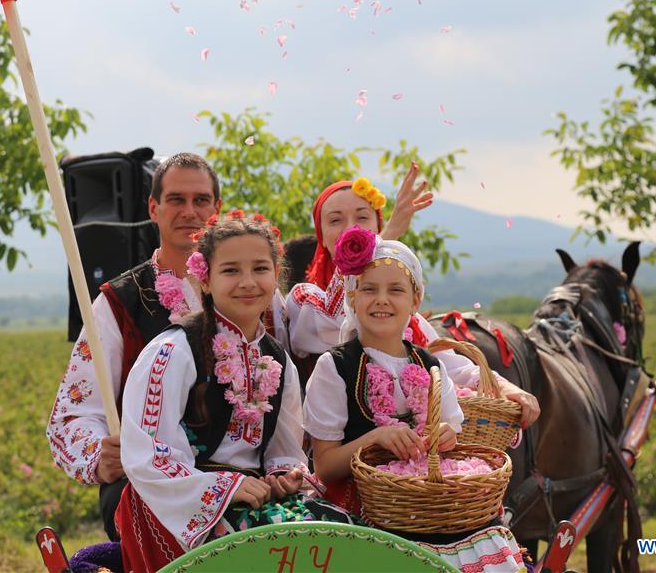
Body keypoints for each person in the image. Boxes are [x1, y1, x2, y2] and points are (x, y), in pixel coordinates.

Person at [115, 212, 358, 572]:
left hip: (253, 497)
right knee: (275, 552)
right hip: (179, 506)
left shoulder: (277, 358)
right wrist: (224, 488)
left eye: (260, 269)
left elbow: (284, 450)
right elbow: (149, 456)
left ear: (276, 276)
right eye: (230, 270)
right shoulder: (172, 352)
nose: (247, 282)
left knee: (341, 534)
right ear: (206, 279)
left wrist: (283, 475)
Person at [303, 229, 530, 572]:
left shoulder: (431, 365)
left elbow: (451, 436)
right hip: (362, 507)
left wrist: (445, 435)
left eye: (396, 290)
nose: (382, 300)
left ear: (415, 301)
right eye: (369, 289)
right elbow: (325, 466)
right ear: (352, 299)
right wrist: (375, 438)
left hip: (426, 505)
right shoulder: (334, 367)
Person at [46, 152, 221, 541]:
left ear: (217, 208)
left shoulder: (250, 292)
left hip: (237, 475)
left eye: (200, 200)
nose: (189, 211)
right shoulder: (118, 302)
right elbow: (72, 415)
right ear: (153, 208)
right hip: (147, 482)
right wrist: (98, 454)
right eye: (176, 199)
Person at [287, 171, 539, 427]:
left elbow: (450, 365)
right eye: (335, 220)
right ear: (321, 235)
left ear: (377, 226)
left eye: (362, 217)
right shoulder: (304, 298)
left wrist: (505, 387)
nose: (351, 228)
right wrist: (386, 237)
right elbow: (339, 318)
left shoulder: (403, 313)